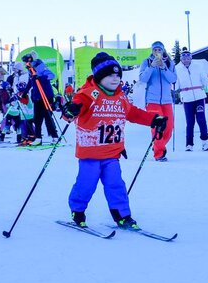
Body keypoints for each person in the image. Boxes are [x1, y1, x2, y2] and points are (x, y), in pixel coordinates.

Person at [60, 52, 166, 229]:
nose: (115, 78)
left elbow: (133, 113)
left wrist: (154, 119)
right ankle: (77, 211)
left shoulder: (120, 97)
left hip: (112, 153)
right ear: (99, 76)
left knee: (116, 184)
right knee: (86, 185)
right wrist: (70, 110)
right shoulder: (88, 94)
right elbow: (71, 111)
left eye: (118, 75)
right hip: (90, 153)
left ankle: (122, 215)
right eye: (110, 75)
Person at [137, 41, 177, 161]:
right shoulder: (147, 62)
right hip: (152, 100)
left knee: (169, 128)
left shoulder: (169, 62)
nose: (157, 52)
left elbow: (173, 79)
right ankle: (159, 153)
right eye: (155, 50)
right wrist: (152, 66)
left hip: (166, 100)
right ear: (152, 51)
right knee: (157, 126)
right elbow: (143, 78)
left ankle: (158, 145)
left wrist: (164, 67)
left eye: (160, 50)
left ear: (163, 50)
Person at [174, 49, 208, 152]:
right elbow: (175, 85)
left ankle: (205, 142)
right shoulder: (177, 68)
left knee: (201, 120)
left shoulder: (198, 66)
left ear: (191, 58)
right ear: (181, 58)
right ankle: (189, 144)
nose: (186, 60)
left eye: (188, 57)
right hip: (187, 98)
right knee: (190, 122)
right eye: (184, 58)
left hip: (199, 96)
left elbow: (205, 81)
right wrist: (172, 84)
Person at [24, 53, 60, 145]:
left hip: (46, 96)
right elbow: (30, 82)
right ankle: (38, 138)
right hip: (37, 97)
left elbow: (52, 76)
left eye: (26, 62)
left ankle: (55, 136)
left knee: (48, 117)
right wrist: (24, 92)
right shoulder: (30, 70)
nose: (26, 64)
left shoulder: (41, 67)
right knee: (37, 119)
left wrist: (40, 77)